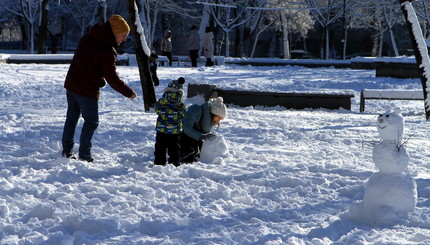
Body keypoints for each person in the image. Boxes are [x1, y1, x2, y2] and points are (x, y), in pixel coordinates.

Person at [61, 15, 137, 162]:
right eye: (123, 35)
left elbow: (86, 64)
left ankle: (66, 150)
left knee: (71, 118)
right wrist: (129, 93)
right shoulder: (107, 51)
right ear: (114, 32)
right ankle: (85, 155)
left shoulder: (88, 38)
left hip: (72, 85)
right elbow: (112, 78)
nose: (124, 39)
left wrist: (98, 79)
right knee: (91, 122)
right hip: (86, 90)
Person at [180, 97, 227, 163]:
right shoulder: (196, 110)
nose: (219, 121)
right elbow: (186, 127)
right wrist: (201, 136)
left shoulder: (207, 122)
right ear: (214, 113)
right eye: (219, 118)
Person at [154, 77, 187, 167]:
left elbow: (156, 109)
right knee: (174, 148)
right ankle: (174, 164)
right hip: (175, 130)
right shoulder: (181, 104)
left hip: (161, 129)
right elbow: (184, 114)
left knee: (160, 147)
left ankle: (159, 164)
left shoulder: (161, 101)